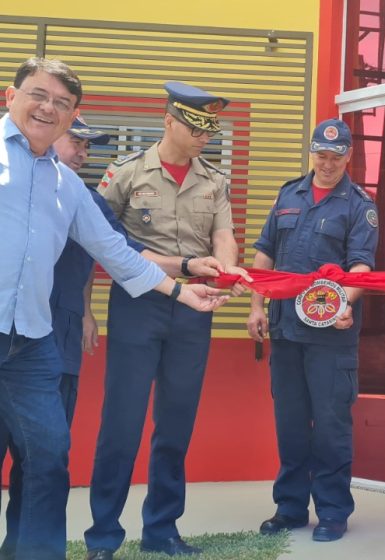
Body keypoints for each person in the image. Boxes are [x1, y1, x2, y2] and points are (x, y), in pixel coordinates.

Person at [0, 57, 227, 560]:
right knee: (84, 441)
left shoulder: (65, 185)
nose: (49, 109)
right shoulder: (116, 173)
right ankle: (92, 538)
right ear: (9, 95)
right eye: (39, 95)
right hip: (51, 326)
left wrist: (180, 288)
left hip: (32, 340)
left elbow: (117, 250)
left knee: (48, 460)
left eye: (63, 103)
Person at [84, 82, 249, 560]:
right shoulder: (127, 173)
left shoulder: (214, 180)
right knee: (122, 423)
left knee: (175, 424)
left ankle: (161, 530)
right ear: (170, 121)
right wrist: (90, 309)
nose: (204, 138)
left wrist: (226, 269)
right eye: (196, 128)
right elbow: (97, 242)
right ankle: (102, 537)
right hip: (137, 306)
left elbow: (224, 235)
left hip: (194, 307)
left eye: (209, 130)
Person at [0, 116, 146, 559]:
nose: (84, 152)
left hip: (53, 347)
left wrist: (86, 311)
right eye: (76, 141)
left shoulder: (81, 196)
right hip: (13, 334)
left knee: (43, 463)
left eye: (88, 146)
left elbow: (119, 251)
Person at [247, 118, 378, 543]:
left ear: (348, 156)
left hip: (330, 338)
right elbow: (264, 254)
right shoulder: (289, 194)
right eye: (320, 155)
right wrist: (256, 307)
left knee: (331, 426)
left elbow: (361, 268)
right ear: (312, 153)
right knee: (289, 424)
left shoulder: (359, 205)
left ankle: (334, 512)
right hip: (285, 331)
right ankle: (289, 508)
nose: (327, 164)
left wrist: (345, 304)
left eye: (335, 157)